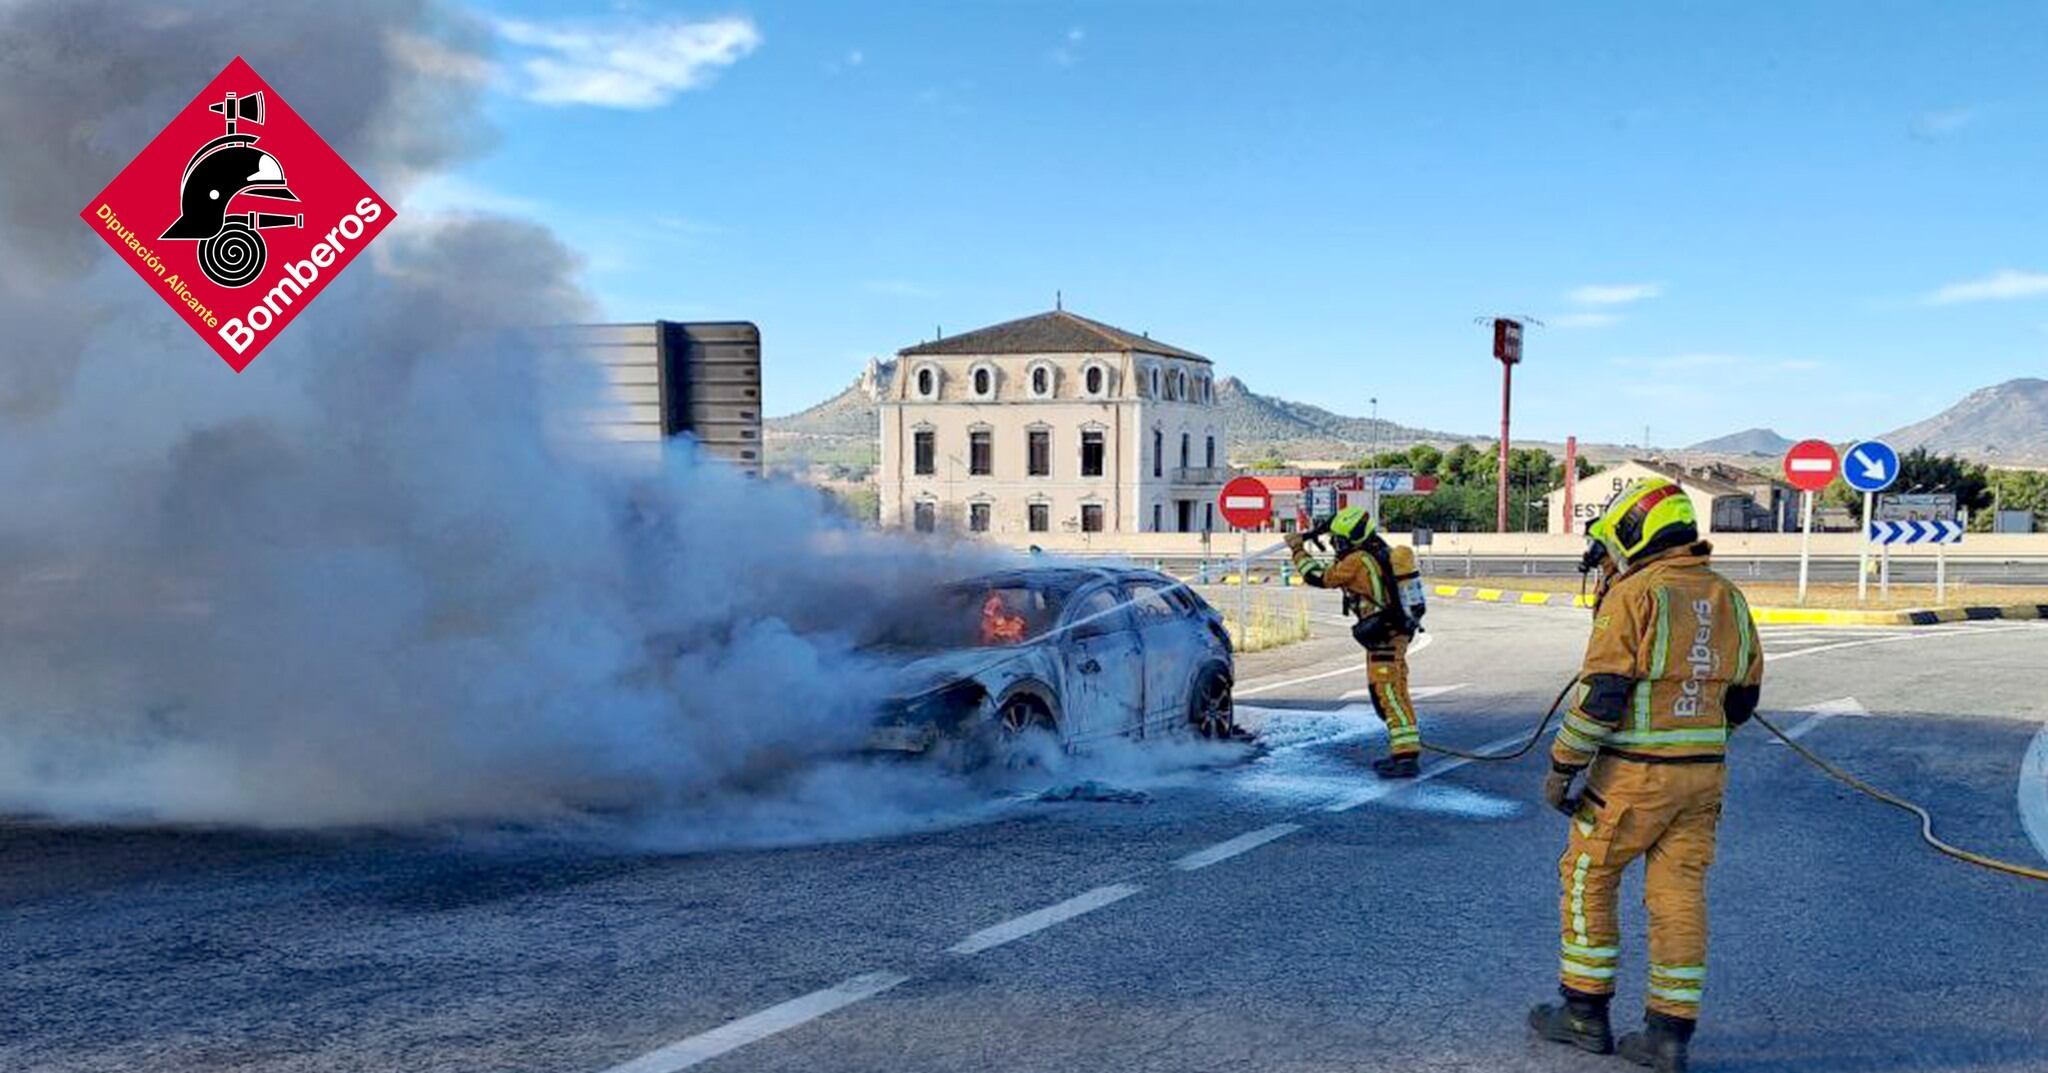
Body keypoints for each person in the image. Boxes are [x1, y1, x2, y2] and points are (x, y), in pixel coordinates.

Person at [1528, 478, 1764, 1073]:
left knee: (1587, 875)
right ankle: (1667, 1036)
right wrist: (1696, 738)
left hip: (1632, 779)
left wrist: (1563, 768)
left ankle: (1582, 1013)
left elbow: (1601, 696)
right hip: (1703, 779)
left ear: (1633, 534)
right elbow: (1743, 699)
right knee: (1679, 895)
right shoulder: (1728, 596)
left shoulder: (1636, 594)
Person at [1286, 505, 1424, 779]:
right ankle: (1404, 750)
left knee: (1389, 694)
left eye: (1338, 540)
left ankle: (1405, 758)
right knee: (1396, 690)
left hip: (1383, 636)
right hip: (1396, 631)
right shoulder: (1380, 551)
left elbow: (1318, 577)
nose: (1337, 544)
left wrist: (1298, 550)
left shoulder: (1356, 561)